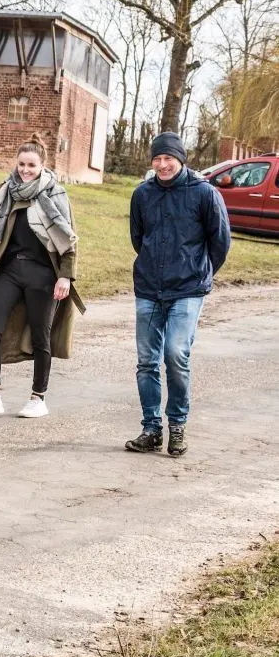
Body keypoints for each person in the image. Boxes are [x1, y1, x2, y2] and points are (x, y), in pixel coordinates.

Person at [124, 131, 231, 457]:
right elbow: (138, 237)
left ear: (180, 159)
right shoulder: (142, 194)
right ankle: (151, 429)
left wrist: (199, 273)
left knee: (175, 354)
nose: (162, 164)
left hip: (187, 290)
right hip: (149, 289)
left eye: (168, 158)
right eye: (157, 159)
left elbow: (220, 241)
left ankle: (178, 426)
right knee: (146, 362)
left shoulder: (204, 194)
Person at [0, 137, 85, 419]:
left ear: (42, 165)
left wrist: (66, 276)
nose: (25, 170)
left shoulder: (55, 194)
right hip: (10, 271)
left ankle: (38, 397)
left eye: (31, 165)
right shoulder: (8, 191)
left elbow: (69, 239)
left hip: (43, 274)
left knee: (41, 336)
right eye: (21, 164)